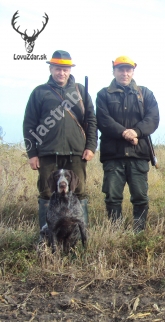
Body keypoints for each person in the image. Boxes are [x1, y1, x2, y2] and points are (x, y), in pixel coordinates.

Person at [23, 50, 97, 231]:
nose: (61, 73)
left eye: (65, 69)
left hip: (77, 152)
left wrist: (91, 146)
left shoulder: (81, 91)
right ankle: (46, 237)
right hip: (48, 153)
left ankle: (79, 237)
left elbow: (92, 121)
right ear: (50, 69)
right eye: (57, 68)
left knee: (79, 193)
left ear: (70, 70)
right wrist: (32, 153)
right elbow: (29, 124)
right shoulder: (40, 92)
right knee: (47, 193)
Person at [96, 56, 160, 232]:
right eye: (120, 69)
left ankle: (138, 233)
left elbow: (153, 118)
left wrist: (136, 132)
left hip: (138, 154)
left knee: (140, 196)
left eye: (128, 70)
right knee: (113, 197)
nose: (124, 73)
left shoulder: (145, 93)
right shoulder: (103, 94)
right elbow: (103, 120)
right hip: (113, 155)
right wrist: (124, 133)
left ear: (133, 71)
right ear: (114, 71)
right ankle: (115, 232)